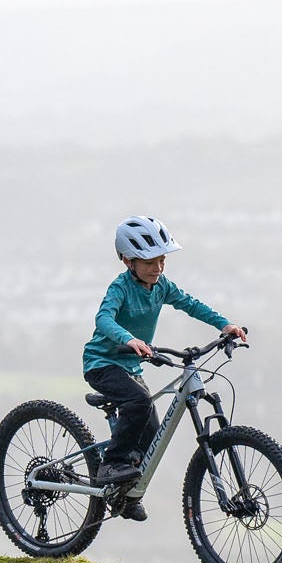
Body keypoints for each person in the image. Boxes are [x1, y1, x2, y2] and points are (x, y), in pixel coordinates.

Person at [81, 215, 246, 521]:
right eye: (149, 262)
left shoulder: (161, 286)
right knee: (139, 402)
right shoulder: (120, 288)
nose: (157, 268)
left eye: (161, 261)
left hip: (131, 366)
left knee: (152, 437)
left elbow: (190, 303)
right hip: (103, 363)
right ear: (128, 261)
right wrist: (129, 339)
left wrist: (225, 325)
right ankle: (111, 464)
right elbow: (103, 319)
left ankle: (125, 496)